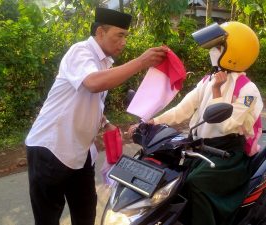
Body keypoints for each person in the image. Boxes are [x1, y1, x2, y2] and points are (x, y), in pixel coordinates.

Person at [25, 7, 167, 225]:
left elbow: (90, 99)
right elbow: (93, 83)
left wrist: (106, 122)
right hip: (51, 148)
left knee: (85, 214)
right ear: (100, 32)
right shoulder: (80, 51)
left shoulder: (103, 62)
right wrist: (141, 62)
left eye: (126, 36)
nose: (124, 42)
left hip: (80, 154)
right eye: (119, 35)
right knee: (48, 218)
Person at [143, 22, 263, 225]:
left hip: (227, 155)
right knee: (170, 180)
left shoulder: (248, 90)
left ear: (234, 52)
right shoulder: (207, 81)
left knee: (194, 184)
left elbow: (226, 125)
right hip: (199, 148)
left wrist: (217, 91)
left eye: (218, 48)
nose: (212, 52)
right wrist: (151, 121)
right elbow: (183, 110)